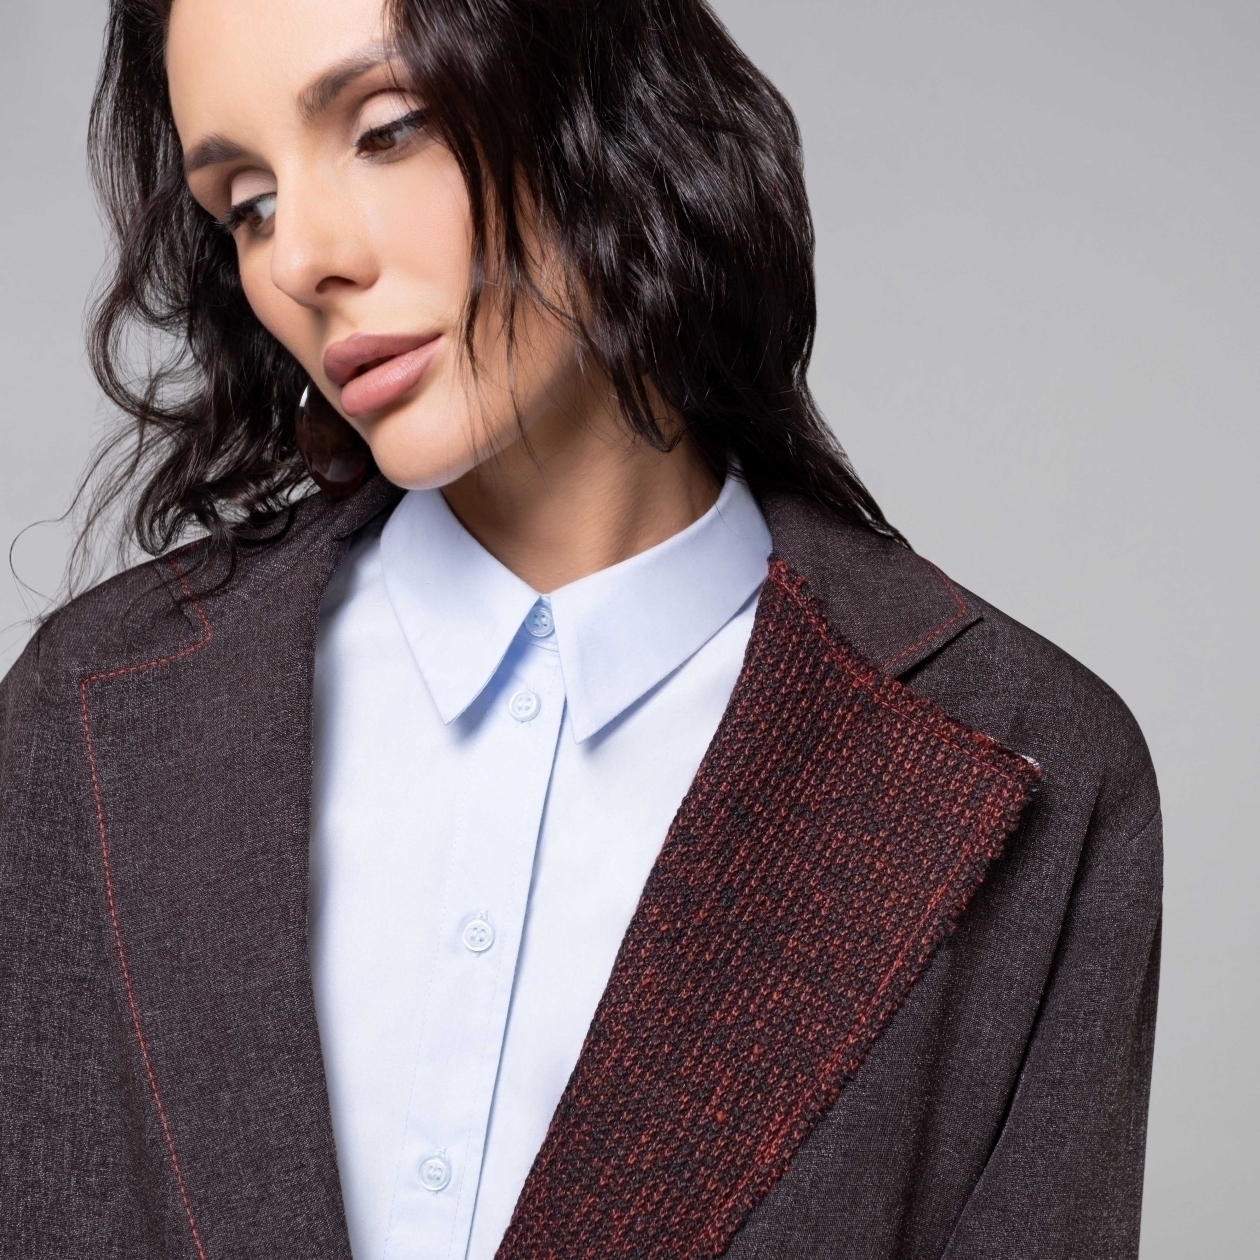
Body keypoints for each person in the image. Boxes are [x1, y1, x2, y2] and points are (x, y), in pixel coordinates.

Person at [0, 0, 1162, 1256]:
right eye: (250, 204)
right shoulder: (97, 716)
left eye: (386, 130)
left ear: (599, 90)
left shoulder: (1026, 760)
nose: (299, 262)